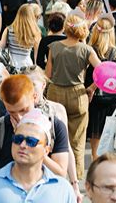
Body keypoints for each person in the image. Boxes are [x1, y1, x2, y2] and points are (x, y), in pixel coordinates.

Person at [0, 109, 77, 202]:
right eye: (18, 139)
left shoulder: (63, 188)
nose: (23, 145)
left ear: (46, 150)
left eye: (31, 141)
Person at [0, 75, 71, 177]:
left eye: (24, 110)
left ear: (34, 97)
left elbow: (60, 173)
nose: (19, 117)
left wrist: (38, 150)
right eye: (12, 112)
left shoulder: (54, 126)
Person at [44, 15, 101, 178]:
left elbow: (48, 74)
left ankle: (56, 172)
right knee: (77, 139)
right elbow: (103, 71)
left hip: (55, 92)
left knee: (55, 134)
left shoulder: (53, 46)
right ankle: (75, 176)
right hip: (78, 94)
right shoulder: (86, 50)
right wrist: (91, 87)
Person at [87, 17, 116, 161]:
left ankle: (96, 167)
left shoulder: (91, 50)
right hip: (113, 98)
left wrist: (91, 87)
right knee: (109, 136)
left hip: (95, 98)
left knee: (95, 139)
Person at [0, 4, 41, 70]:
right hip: (27, 65)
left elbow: (0, 48)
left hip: (11, 66)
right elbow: (37, 54)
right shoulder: (35, 32)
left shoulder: (8, 29)